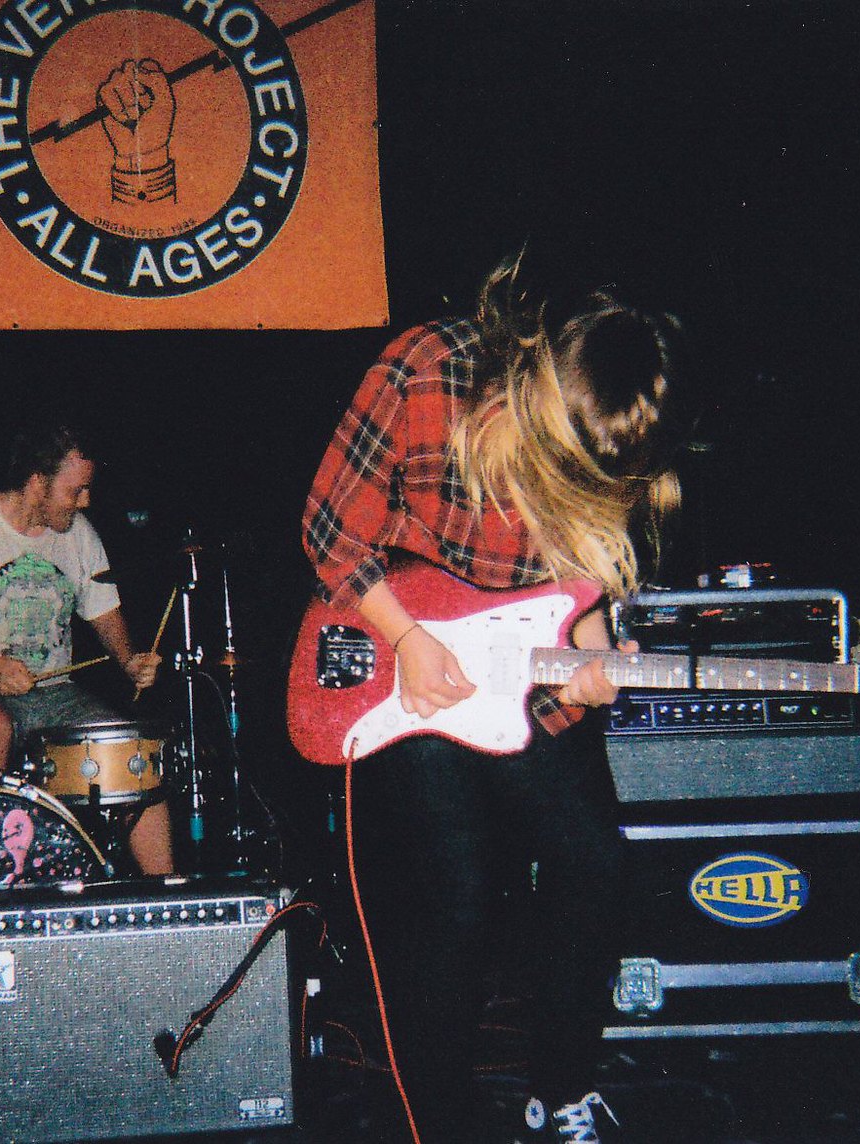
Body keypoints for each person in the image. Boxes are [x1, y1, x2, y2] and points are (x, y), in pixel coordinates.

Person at [301, 258, 693, 1143]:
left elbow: (583, 589)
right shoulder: (430, 367)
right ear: (540, 382)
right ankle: (440, 1126)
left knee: (595, 864)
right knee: (455, 901)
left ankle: (560, 1090)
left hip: (526, 673)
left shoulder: (612, 435)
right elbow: (330, 527)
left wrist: (594, 660)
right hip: (402, 655)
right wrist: (407, 637)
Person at [0, 422, 173, 876]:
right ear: (36, 482)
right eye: (75, 491)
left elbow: (104, 613)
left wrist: (130, 662)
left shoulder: (79, 534)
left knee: (133, 752)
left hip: (55, 695)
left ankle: (165, 893)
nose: (85, 502)